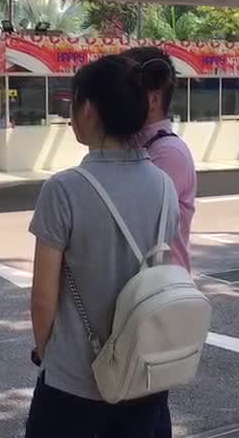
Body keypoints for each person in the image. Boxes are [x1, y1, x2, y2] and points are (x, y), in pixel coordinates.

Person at [25, 55, 180, 438]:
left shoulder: (63, 189)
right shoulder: (164, 186)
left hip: (72, 385)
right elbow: (164, 275)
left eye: (73, 104)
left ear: (89, 109)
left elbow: (44, 298)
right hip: (142, 379)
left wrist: (50, 356)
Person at [122, 46, 197, 438]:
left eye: (128, 86)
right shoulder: (139, 144)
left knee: (145, 409)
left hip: (156, 299)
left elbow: (137, 225)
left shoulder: (166, 151)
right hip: (140, 298)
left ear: (152, 97)